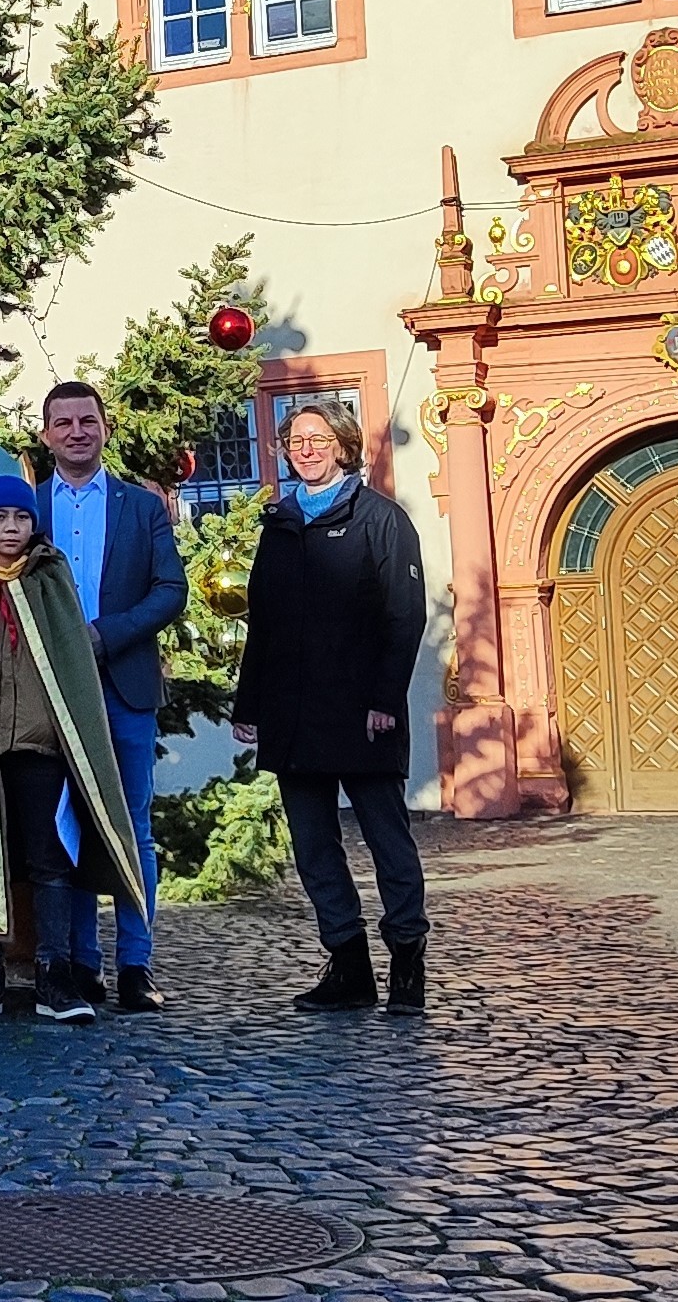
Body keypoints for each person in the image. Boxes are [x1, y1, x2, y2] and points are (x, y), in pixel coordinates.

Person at [0, 463, 144, 1025]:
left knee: (48, 860)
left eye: (21, 516)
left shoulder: (50, 578)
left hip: (41, 746)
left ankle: (55, 976)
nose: (12, 527)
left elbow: (71, 665)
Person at [231, 397, 429, 1015]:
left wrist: (384, 698)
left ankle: (406, 965)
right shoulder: (280, 524)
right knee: (315, 848)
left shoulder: (381, 520)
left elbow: (404, 615)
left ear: (343, 446)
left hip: (364, 711)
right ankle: (348, 967)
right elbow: (262, 622)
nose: (306, 449)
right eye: (296, 440)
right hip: (292, 714)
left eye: (318, 439)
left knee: (386, 840)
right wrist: (250, 703)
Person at [36, 380, 186, 1012]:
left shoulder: (139, 507)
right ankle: (78, 962)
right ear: (45, 435)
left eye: (87, 421)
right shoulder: (27, 508)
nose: (76, 432)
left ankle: (134, 963)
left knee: (132, 827)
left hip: (123, 682)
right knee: (65, 830)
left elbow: (169, 590)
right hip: (48, 692)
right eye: (63, 423)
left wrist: (105, 636)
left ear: (104, 428)